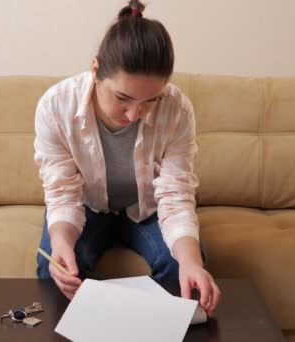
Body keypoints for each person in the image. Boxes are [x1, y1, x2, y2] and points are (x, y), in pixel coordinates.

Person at [34, 0, 221, 316]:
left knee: (182, 273)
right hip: (87, 207)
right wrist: (62, 245)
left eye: (151, 101)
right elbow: (63, 195)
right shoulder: (55, 108)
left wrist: (191, 262)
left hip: (147, 209)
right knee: (54, 270)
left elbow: (175, 196)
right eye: (123, 98)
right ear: (96, 70)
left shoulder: (177, 109)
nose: (135, 114)